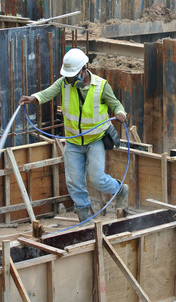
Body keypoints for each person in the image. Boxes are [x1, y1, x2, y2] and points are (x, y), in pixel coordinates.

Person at [18, 48, 129, 223]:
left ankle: (121, 190)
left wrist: (121, 113)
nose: (70, 78)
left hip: (95, 140)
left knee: (97, 179)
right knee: (74, 182)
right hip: (73, 142)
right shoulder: (64, 83)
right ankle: (85, 221)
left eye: (73, 74)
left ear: (84, 69)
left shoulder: (101, 85)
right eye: (68, 75)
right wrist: (33, 98)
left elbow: (115, 104)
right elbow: (48, 92)